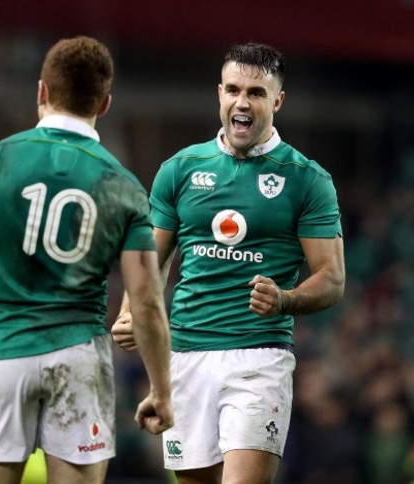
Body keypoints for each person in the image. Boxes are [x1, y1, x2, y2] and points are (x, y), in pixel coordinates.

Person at [0, 36, 173, 484]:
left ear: (42, 92)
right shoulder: (124, 186)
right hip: (79, 359)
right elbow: (145, 299)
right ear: (104, 104)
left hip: (0, 356)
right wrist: (161, 390)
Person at [112, 42, 345, 484]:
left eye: (256, 93)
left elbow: (332, 280)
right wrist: (130, 313)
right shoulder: (179, 169)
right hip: (185, 358)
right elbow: (150, 261)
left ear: (277, 101)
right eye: (234, 90)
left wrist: (285, 299)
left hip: (258, 359)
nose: (242, 102)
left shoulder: (307, 179)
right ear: (219, 93)